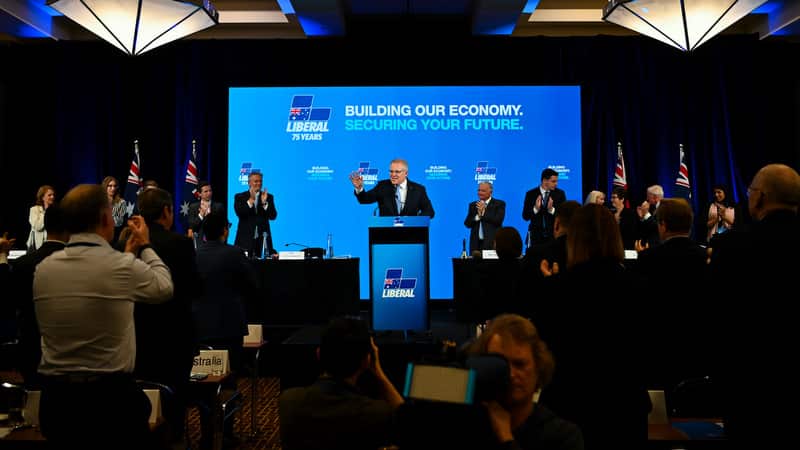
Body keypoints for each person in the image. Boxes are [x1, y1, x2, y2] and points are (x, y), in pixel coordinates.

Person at [32, 184, 173, 449]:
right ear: (106, 218)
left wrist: (127, 256)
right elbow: (164, 287)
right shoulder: (121, 266)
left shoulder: (43, 269)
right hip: (110, 401)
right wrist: (145, 245)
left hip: (57, 402)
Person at [709, 163, 800, 444]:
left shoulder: (734, 246)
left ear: (760, 197)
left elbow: (716, 314)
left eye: (750, 192)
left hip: (749, 383)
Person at [132, 187, 201, 444]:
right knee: (175, 403)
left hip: (137, 334)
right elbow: (195, 287)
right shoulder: (181, 244)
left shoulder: (125, 243)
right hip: (175, 337)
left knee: (139, 401)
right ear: (166, 211)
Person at [279, 317, 404, 450]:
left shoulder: (288, 402)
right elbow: (412, 429)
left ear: (318, 354)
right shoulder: (377, 413)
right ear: (366, 360)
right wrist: (379, 374)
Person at [467, 314, 583, 450]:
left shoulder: (563, 436)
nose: (510, 374)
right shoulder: (469, 424)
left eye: (519, 364)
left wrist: (506, 438)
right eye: (499, 363)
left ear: (538, 368)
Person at [10, 204, 69, 388]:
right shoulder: (77, 264)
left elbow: (12, 304)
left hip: (30, 348)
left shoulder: (22, 264)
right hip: (67, 352)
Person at [350, 158, 434, 217]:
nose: (393, 175)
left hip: (411, 234)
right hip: (386, 234)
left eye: (397, 172)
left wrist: (414, 221)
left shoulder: (418, 190)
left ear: (406, 173)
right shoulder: (382, 187)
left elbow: (429, 211)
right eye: (391, 171)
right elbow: (364, 199)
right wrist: (359, 188)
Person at [234, 171, 277, 258]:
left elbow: (273, 216)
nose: (259, 183)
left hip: (263, 239)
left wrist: (264, 203)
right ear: (249, 183)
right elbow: (240, 213)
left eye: (260, 181)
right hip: (245, 239)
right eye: (256, 181)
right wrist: (251, 200)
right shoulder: (239, 196)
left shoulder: (268, 197)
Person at [522, 168, 566, 247]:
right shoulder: (531, 194)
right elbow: (525, 216)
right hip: (535, 238)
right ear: (545, 181)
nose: (556, 184)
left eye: (557, 181)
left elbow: (563, 216)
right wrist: (535, 209)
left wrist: (552, 210)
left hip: (553, 237)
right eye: (553, 181)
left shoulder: (560, 194)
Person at [465, 182, 506, 253]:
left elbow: (498, 221)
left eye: (483, 191)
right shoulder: (473, 205)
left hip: (492, 244)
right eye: (479, 190)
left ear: (490, 192)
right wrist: (478, 217)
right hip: (476, 245)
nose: (480, 193)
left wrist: (483, 213)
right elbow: (467, 223)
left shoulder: (499, 204)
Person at [26, 185, 55, 251]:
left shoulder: (55, 210)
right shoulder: (34, 210)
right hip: (37, 247)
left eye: (53, 195)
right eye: (49, 195)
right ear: (42, 197)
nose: (52, 197)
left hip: (52, 245)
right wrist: (46, 210)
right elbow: (38, 227)